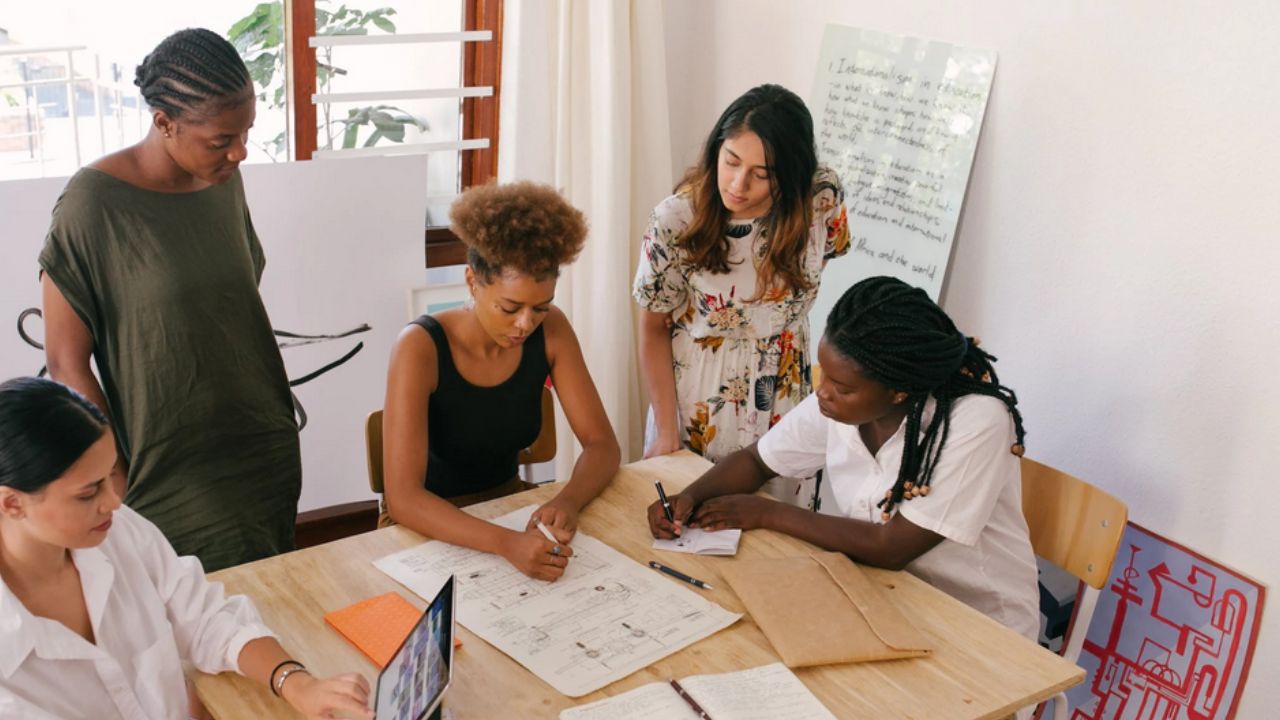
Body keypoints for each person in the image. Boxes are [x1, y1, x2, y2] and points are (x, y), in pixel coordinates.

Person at [647, 276, 1040, 643]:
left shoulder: (975, 421)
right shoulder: (841, 405)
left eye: (841, 387)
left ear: (899, 391)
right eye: (825, 377)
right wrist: (689, 498)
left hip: (980, 627)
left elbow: (891, 547)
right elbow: (757, 461)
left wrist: (766, 513)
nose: (823, 393)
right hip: (887, 598)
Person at [39, 28, 300, 571]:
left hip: (260, 443)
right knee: (189, 622)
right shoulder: (92, 205)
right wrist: (111, 472)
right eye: (221, 139)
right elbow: (66, 361)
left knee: (271, 602)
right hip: (167, 464)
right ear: (165, 122)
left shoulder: (223, 178)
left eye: (246, 131)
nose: (239, 151)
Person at [0, 377, 371, 720]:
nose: (114, 502)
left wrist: (297, 683)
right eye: (87, 493)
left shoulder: (117, 530)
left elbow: (205, 617)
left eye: (109, 476)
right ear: (11, 503)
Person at [382, 181, 621, 582]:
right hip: (425, 528)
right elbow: (404, 500)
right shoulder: (419, 347)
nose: (526, 324)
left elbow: (602, 445)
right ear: (473, 282)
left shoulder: (552, 331)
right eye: (510, 308)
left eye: (540, 308)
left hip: (507, 509)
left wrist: (568, 501)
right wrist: (506, 543)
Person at [633, 83, 850, 509]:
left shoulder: (820, 199)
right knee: (694, 527)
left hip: (787, 395)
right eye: (730, 161)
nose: (737, 183)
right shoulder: (677, 219)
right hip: (702, 400)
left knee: (782, 538)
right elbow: (652, 327)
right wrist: (666, 431)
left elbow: (823, 260)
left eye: (762, 173)